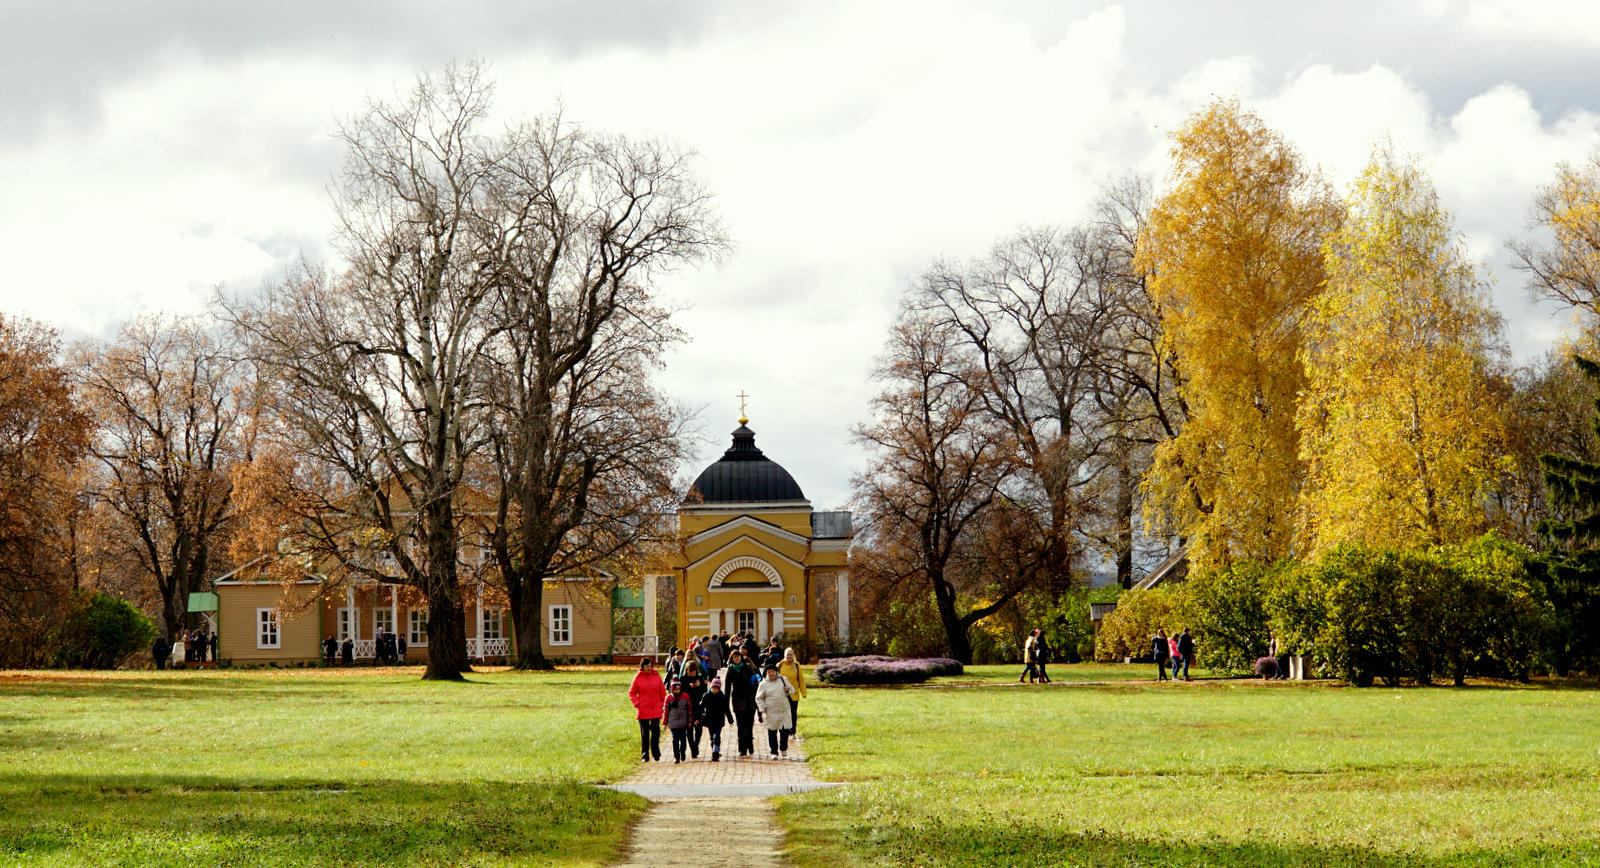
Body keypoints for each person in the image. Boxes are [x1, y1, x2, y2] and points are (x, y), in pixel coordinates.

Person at [629, 658, 667, 762]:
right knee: (645, 734)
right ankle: (645, 754)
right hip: (643, 709)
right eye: (646, 667)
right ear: (642, 667)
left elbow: (663, 692)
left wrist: (663, 704)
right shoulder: (638, 677)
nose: (649, 668)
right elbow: (631, 692)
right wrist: (637, 703)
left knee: (656, 731)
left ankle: (655, 751)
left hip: (656, 708)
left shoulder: (657, 676)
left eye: (650, 666)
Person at [754, 664, 795, 759]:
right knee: (772, 732)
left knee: (785, 731)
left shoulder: (783, 680)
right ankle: (774, 751)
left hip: (783, 710)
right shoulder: (763, 684)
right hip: (771, 712)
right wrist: (763, 707)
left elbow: (792, 690)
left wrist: (788, 690)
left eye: (773, 671)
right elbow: (758, 698)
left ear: (776, 672)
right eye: (769, 672)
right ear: (766, 673)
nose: (771, 673)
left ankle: (783, 747)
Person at [724, 649, 759, 757]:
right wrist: (726, 703)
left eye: (738, 656)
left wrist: (756, 699)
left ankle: (750, 745)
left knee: (749, 725)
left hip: (749, 700)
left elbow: (755, 684)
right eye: (734, 657)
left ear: (741, 657)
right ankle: (742, 748)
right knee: (740, 725)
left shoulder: (748, 667)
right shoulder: (730, 670)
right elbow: (727, 688)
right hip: (738, 700)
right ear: (732, 659)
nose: (737, 658)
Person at [699, 676, 734, 761]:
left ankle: (716, 751)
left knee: (717, 736)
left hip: (719, 720)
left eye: (717, 689)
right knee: (712, 737)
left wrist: (730, 719)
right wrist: (699, 716)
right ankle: (714, 750)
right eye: (713, 688)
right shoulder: (706, 696)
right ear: (711, 687)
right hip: (709, 719)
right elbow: (701, 707)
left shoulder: (722, 697)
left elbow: (726, 709)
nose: (715, 690)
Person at [663, 677, 696, 763]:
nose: (677, 691)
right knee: (675, 740)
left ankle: (683, 752)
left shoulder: (686, 696)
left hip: (683, 723)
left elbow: (689, 710)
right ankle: (676, 756)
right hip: (673, 723)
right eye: (675, 689)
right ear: (672, 689)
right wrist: (665, 723)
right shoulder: (668, 698)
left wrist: (690, 721)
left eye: (678, 689)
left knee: (683, 740)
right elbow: (666, 711)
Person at [776, 647, 807, 739]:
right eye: (787, 654)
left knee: (793, 713)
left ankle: (792, 732)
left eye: (790, 654)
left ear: (793, 656)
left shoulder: (796, 666)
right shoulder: (779, 665)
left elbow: (801, 680)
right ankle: (784, 731)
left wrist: (803, 692)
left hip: (794, 694)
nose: (789, 656)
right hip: (782, 695)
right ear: (784, 655)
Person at [680, 660, 708, 759]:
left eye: (693, 671)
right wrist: (689, 686)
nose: (692, 673)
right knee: (689, 729)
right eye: (689, 671)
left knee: (699, 728)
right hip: (687, 707)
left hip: (698, 706)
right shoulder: (683, 679)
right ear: (686, 671)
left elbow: (705, 691)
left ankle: (696, 745)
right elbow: (680, 692)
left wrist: (699, 685)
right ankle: (693, 748)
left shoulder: (699, 678)